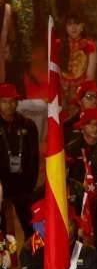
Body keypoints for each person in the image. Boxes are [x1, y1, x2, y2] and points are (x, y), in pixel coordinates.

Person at [0, 84, 39, 238]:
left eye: (12, 101)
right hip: (1, 185)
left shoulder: (28, 124)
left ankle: (35, 259)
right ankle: (5, 261)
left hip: (23, 184)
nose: (9, 105)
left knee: (31, 227)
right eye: (4, 101)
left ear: (17, 102)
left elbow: (34, 157)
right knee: (3, 230)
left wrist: (31, 184)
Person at [58, 12, 97, 116]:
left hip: (81, 88)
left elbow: (90, 76)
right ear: (65, 28)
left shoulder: (89, 46)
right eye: (69, 24)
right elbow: (55, 73)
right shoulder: (59, 45)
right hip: (62, 88)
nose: (73, 27)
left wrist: (81, 93)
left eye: (77, 24)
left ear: (82, 27)